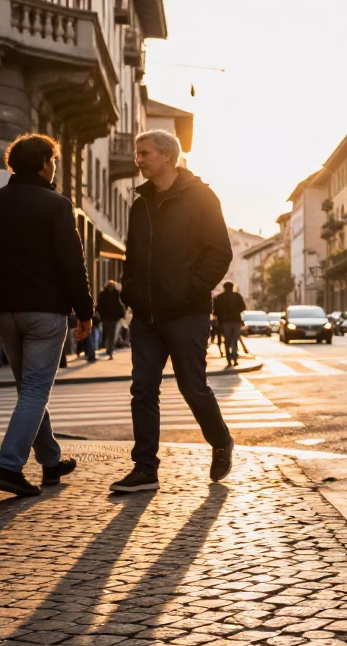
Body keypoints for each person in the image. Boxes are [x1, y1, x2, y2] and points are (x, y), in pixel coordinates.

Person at [0, 133, 91, 497]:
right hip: (45, 313)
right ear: (44, 164)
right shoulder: (56, 205)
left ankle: (51, 461)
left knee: (28, 390)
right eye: (53, 161)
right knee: (35, 391)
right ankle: (9, 466)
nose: (54, 168)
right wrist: (85, 311)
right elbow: (72, 263)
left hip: (4, 313)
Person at [112, 129, 234, 494]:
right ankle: (145, 468)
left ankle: (221, 441)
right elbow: (132, 257)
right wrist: (130, 290)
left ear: (167, 155)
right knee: (142, 390)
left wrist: (189, 291)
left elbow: (220, 253)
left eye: (144, 153)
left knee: (192, 387)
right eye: (137, 153)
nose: (138, 160)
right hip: (146, 316)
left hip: (187, 313)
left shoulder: (201, 197)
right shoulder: (140, 204)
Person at [213, 281, 246, 367]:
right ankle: (234, 359)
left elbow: (215, 312)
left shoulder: (219, 297)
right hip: (235, 321)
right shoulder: (237, 296)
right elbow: (243, 307)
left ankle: (229, 360)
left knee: (227, 341)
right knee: (234, 340)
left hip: (224, 322)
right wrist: (236, 311)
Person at [96, 281, 124, 359]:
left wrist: (100, 313)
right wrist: (121, 314)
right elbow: (119, 304)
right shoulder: (116, 294)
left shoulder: (103, 294)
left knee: (108, 333)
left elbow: (99, 305)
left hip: (106, 317)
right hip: (113, 317)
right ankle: (110, 350)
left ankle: (109, 349)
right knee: (111, 334)